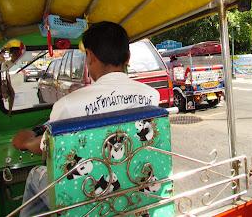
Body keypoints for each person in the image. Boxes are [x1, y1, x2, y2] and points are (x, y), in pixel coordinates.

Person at [12, 21, 160, 216]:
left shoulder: (67, 105)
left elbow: (47, 150)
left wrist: (27, 141)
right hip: (135, 190)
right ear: (128, 57)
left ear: (89, 57)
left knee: (34, 175)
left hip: (87, 202)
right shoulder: (152, 96)